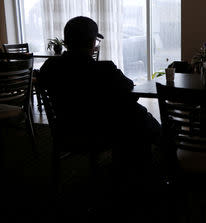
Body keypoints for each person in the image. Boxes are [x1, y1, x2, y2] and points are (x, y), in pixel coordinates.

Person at [39, 16, 161, 192]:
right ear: (92, 43)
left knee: (133, 114)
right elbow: (129, 89)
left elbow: (42, 84)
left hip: (66, 130)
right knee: (136, 116)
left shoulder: (49, 66)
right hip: (100, 132)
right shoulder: (104, 69)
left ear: (66, 42)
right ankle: (153, 161)